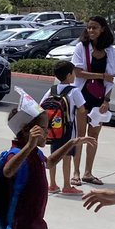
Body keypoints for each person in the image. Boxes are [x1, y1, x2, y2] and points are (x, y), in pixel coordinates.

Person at [70, 16, 115, 185]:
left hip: (99, 98)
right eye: (89, 28)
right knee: (80, 136)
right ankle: (75, 173)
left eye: (94, 28)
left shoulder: (110, 50)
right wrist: (101, 75)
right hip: (82, 97)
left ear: (102, 29)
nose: (91, 31)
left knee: (93, 137)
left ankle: (88, 173)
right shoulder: (81, 47)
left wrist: (107, 100)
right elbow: (78, 72)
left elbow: (111, 78)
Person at [42, 60, 87, 195]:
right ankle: (67, 185)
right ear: (68, 75)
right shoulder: (74, 91)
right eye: (73, 73)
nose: (74, 75)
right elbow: (82, 109)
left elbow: (41, 105)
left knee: (54, 155)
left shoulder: (52, 89)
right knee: (67, 156)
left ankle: (52, 184)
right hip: (68, 130)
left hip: (54, 129)